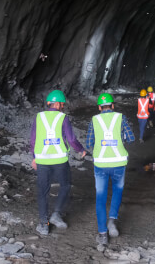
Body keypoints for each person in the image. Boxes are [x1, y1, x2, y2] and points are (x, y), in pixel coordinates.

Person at [30, 89, 86, 236]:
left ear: (49, 103)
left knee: (43, 191)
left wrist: (34, 157)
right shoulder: (63, 118)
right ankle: (56, 214)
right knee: (66, 185)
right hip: (60, 160)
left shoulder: (39, 117)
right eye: (62, 104)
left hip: (42, 159)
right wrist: (81, 150)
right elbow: (71, 139)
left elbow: (33, 139)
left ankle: (44, 224)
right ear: (60, 104)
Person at [86, 93, 135, 247]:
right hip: (118, 162)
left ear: (99, 107)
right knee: (117, 191)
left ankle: (102, 234)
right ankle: (112, 221)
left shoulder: (94, 120)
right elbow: (131, 137)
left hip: (100, 163)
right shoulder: (121, 117)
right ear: (113, 106)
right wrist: (120, 138)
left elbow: (89, 142)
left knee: (100, 198)